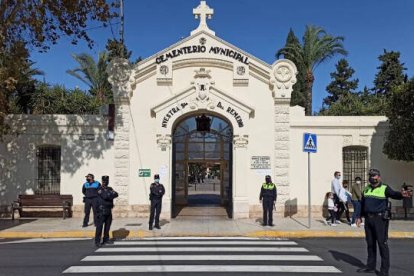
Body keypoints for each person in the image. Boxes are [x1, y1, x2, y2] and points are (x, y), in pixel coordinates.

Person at [356, 168, 413, 276]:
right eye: (370, 176)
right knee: (370, 243)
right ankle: (370, 266)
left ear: (379, 177)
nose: (372, 178)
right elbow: (362, 204)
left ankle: (384, 271)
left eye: (374, 176)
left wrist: (402, 195)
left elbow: (394, 194)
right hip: (368, 220)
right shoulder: (366, 189)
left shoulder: (384, 188)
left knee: (382, 244)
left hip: (380, 220)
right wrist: (359, 217)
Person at [94, 175, 118, 247]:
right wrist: (110, 194)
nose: (105, 182)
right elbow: (105, 196)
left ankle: (106, 239)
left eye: (107, 181)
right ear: (102, 181)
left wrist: (109, 194)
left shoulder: (110, 188)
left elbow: (116, 194)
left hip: (108, 210)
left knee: (107, 226)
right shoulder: (99, 189)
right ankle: (97, 241)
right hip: (101, 210)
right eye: (104, 181)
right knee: (99, 227)